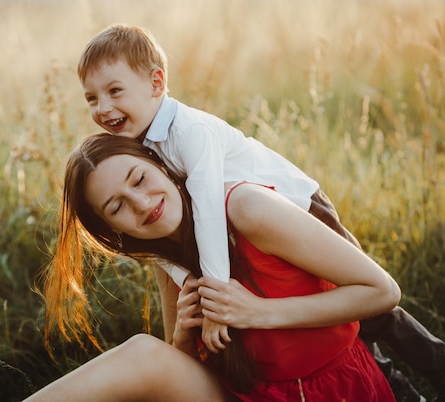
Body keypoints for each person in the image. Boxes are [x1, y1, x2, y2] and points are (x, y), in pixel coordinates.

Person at [77, 23, 445, 401]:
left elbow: (205, 206)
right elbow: (176, 239)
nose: (103, 108)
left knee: (366, 310)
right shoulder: (146, 147)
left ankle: (432, 365)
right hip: (254, 220)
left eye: (114, 91)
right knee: (356, 319)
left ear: (157, 84)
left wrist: (218, 298)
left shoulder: (188, 131)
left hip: (298, 203)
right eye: (91, 99)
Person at [24, 133, 400, 401]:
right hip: (246, 393)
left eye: (139, 179)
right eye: (117, 207)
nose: (140, 203)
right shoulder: (165, 256)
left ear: (164, 167)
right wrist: (183, 339)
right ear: (113, 231)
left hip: (333, 389)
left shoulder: (245, 209)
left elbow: (382, 291)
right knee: (144, 354)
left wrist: (260, 313)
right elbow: (178, 373)